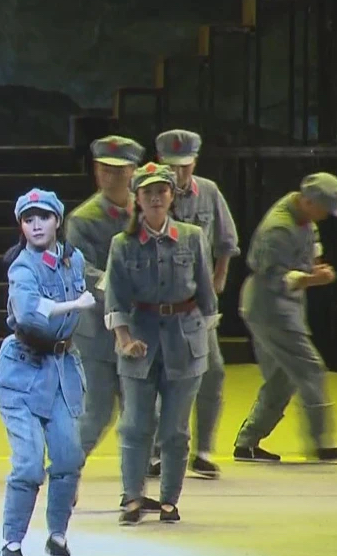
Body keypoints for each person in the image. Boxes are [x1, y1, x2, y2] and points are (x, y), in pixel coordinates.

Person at [104, 163, 217, 525]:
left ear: (172, 196)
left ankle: (169, 499)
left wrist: (204, 341)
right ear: (137, 198)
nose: (155, 198)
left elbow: (206, 294)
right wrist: (125, 340)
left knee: (175, 429)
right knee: (135, 425)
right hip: (140, 340)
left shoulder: (192, 237)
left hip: (185, 340)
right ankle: (132, 497)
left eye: (162, 191)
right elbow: (115, 299)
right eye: (148, 192)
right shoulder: (123, 244)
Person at [0, 188, 94, 556]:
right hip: (23, 371)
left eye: (44, 217)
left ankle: (57, 534)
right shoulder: (22, 267)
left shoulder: (74, 259)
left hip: (63, 369)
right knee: (29, 463)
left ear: (58, 221)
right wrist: (74, 304)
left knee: (68, 457)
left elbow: (91, 285)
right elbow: (28, 313)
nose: (36, 225)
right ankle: (13, 539)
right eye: (28, 219)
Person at [233, 173, 337, 463]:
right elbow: (274, 277)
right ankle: (321, 443)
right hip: (270, 308)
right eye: (324, 209)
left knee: (283, 378)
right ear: (309, 201)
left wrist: (315, 267)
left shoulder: (304, 217)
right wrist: (314, 279)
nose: (326, 216)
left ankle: (247, 442)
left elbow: (311, 246)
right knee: (310, 369)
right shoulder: (278, 228)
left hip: (281, 307)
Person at [65, 135, 162, 511]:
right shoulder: (84, 219)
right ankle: (66, 476)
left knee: (142, 415)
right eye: (104, 170)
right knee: (96, 413)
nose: (110, 177)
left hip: (140, 330)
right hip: (98, 334)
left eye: (119, 171)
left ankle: (133, 491)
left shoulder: (146, 214)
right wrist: (123, 286)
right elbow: (81, 271)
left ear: (133, 173)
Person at [153, 130, 240, 479]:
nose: (178, 174)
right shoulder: (149, 192)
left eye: (185, 166)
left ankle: (203, 450)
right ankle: (157, 450)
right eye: (172, 166)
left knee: (212, 371)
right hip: (157, 300)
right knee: (160, 375)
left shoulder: (209, 192)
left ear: (195, 163)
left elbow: (227, 241)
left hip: (196, 301)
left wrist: (219, 278)